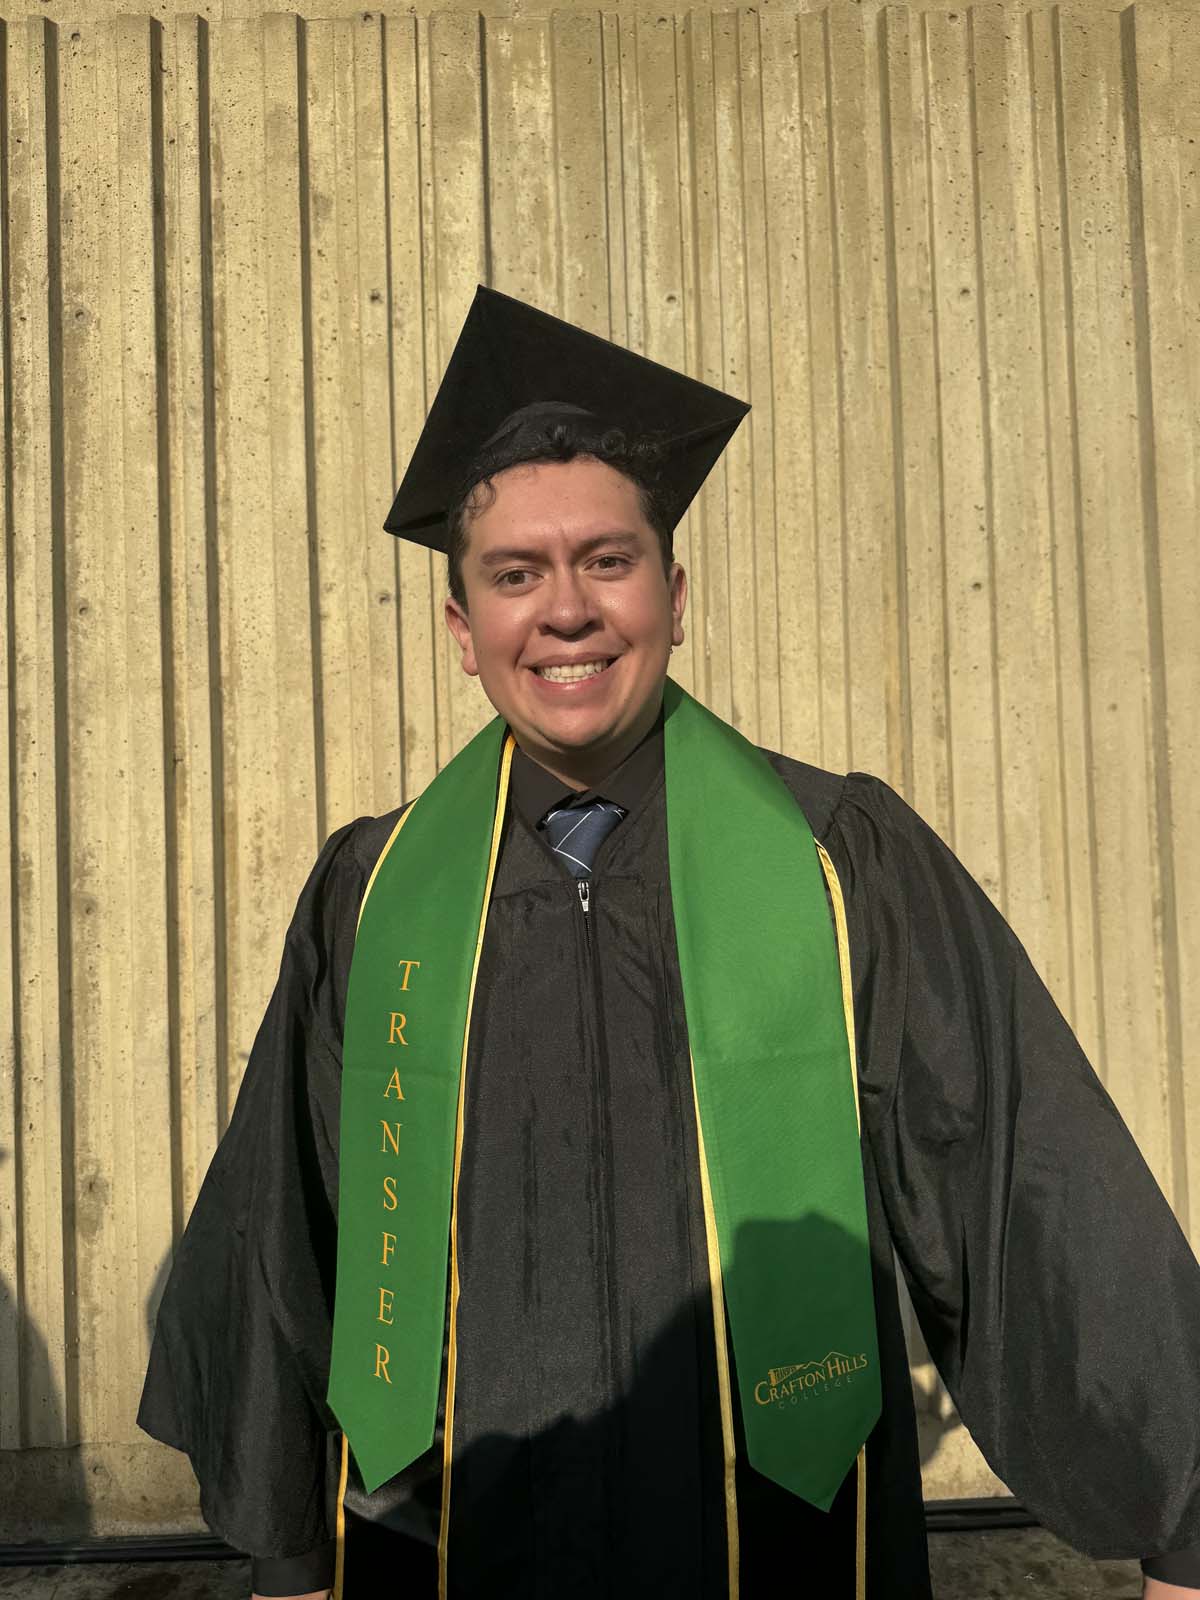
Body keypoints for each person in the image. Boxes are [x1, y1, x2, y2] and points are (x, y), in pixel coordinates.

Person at [138, 287, 1200, 1599]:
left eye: (608, 560)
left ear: (675, 595)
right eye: (515, 575)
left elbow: (1021, 1183)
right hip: (458, 1547)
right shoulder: (373, 895)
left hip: (777, 1551)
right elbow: (288, 1239)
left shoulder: (840, 863)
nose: (565, 610)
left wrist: (1181, 1524)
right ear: (464, 631)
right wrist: (293, 1558)